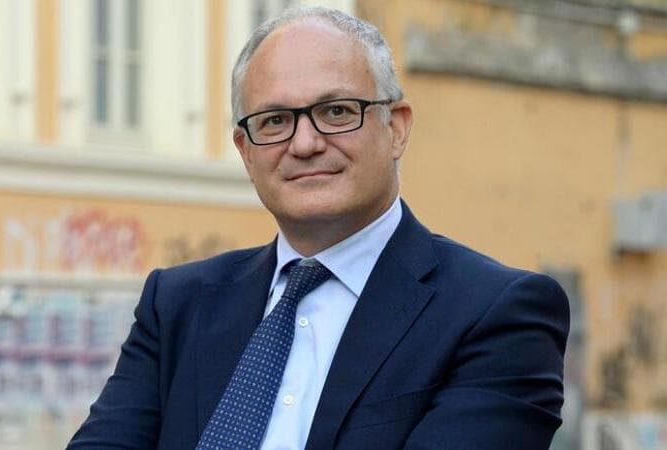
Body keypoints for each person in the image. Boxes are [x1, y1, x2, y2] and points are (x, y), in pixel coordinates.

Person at [68, 6, 569, 450]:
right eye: (274, 121)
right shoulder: (176, 305)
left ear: (396, 128)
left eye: (336, 112)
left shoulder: (498, 314)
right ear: (245, 151)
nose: (305, 143)